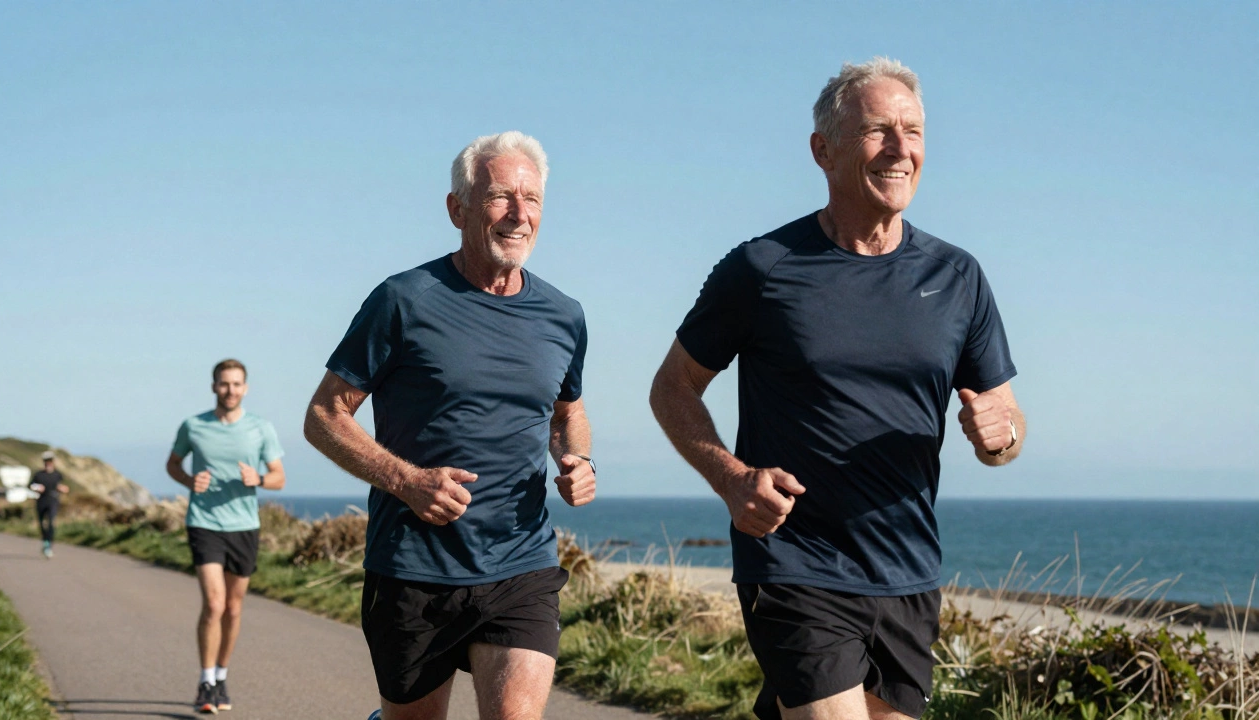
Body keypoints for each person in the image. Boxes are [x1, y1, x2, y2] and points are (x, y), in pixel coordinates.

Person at [649, 57, 1026, 720]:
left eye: (913, 131)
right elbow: (673, 388)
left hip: (908, 570)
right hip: (795, 560)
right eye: (879, 130)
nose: (901, 148)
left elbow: (1003, 422)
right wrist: (733, 479)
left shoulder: (958, 276)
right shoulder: (762, 269)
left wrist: (1002, 439)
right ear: (823, 151)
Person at [304, 130, 595, 720]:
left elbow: (568, 412)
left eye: (532, 198)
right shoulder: (404, 299)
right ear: (457, 208)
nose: (519, 214)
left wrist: (577, 460)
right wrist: (407, 481)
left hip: (521, 562)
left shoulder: (564, 315)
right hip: (415, 565)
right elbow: (324, 415)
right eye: (499, 197)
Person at [166, 359, 286, 714]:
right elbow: (173, 464)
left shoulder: (260, 428)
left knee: (233, 609)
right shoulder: (194, 426)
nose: (230, 390)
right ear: (213, 387)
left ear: (245, 388)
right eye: (223, 384)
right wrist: (189, 481)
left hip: (244, 526)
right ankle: (205, 682)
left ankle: (220, 676)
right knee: (214, 604)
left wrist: (259, 480)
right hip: (204, 522)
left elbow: (279, 476)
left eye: (236, 384)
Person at [29, 451, 70, 558]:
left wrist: (62, 488)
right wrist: (38, 488)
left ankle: (49, 545)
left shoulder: (57, 474)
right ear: (44, 462)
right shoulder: (39, 474)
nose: (49, 463)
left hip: (53, 500)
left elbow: (63, 486)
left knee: (51, 522)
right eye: (47, 461)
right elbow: (30, 485)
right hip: (41, 501)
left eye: (50, 461)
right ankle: (45, 542)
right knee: (42, 524)